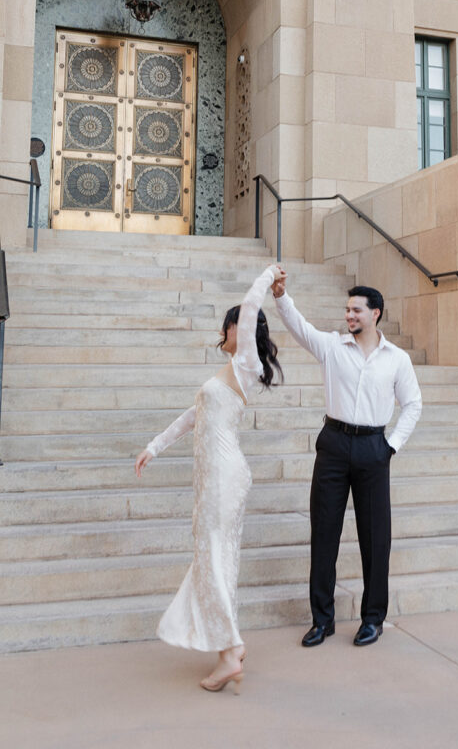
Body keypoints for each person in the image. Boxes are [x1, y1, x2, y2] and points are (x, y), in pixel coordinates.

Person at [135, 264, 284, 692]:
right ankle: (229, 645)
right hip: (212, 476)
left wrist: (268, 275)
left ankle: (228, 651)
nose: (228, 329)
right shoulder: (226, 375)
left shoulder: (247, 364)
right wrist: (155, 446)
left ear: (244, 329)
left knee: (215, 556)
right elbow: (191, 417)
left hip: (224, 472)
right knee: (216, 557)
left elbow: (254, 304)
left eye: (233, 323)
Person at [271, 271, 422, 648]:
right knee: (324, 534)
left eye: (356, 310)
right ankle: (322, 621)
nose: (349, 316)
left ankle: (373, 619)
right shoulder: (332, 347)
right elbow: (299, 327)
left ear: (376, 314)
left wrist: (391, 446)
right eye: (347, 310)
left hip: (373, 448)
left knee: (376, 540)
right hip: (335, 445)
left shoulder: (397, 360)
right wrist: (281, 296)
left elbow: (413, 404)